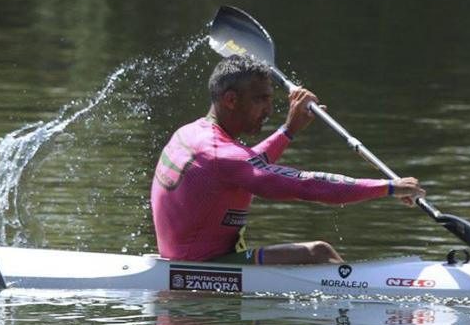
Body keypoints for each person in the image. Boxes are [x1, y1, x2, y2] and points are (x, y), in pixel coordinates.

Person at [151, 54, 425, 264]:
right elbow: (304, 186)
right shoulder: (221, 154)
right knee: (318, 253)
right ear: (231, 100)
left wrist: (288, 131)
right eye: (261, 100)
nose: (269, 110)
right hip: (203, 270)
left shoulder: (191, 134)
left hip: (183, 263)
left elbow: (246, 166)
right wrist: (389, 187)